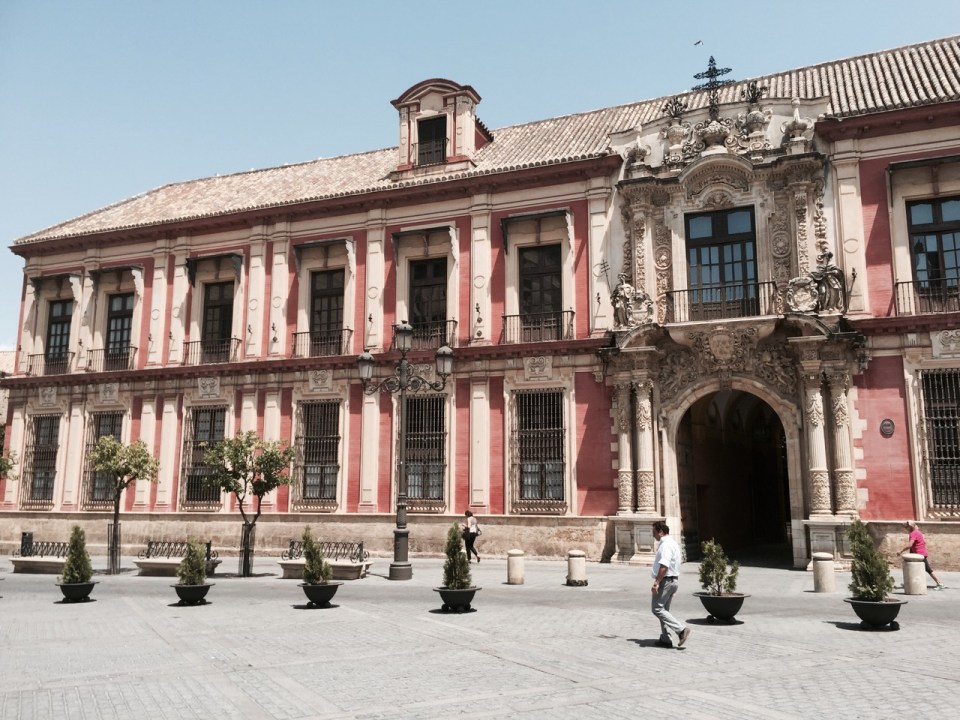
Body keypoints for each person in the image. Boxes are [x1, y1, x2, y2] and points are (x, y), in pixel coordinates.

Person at [650, 520, 690, 649]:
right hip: (672, 580)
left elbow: (664, 565)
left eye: (654, 532)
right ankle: (665, 638)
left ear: (661, 532)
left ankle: (681, 630)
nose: (653, 535)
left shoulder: (666, 545)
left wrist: (657, 582)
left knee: (657, 609)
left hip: (666, 581)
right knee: (664, 610)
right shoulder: (673, 543)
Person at [900, 521, 944, 590]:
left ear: (910, 527)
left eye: (906, 527)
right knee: (914, 568)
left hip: (920, 555)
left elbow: (910, 545)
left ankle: (939, 583)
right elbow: (923, 542)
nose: (905, 528)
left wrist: (901, 551)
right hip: (920, 553)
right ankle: (911, 582)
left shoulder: (913, 533)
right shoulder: (918, 532)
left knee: (928, 570)